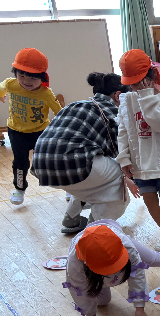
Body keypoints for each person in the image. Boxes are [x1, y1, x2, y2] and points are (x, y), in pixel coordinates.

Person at [33, 72, 139, 233]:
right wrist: (136, 179)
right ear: (118, 96)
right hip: (72, 164)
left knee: (93, 179)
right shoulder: (113, 112)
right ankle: (94, 229)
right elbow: (123, 154)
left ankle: (72, 218)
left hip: (41, 164)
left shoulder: (76, 104)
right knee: (118, 186)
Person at [117, 49, 160, 252]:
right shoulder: (127, 100)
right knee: (150, 201)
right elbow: (123, 130)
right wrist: (124, 159)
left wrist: (146, 96)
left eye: (139, 83)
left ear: (151, 78)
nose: (136, 88)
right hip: (141, 164)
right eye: (133, 84)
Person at [65, 221, 160, 316]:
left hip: (110, 230)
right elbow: (78, 290)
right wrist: (90, 314)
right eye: (107, 270)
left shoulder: (126, 245)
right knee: (103, 302)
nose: (113, 271)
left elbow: (137, 274)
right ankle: (102, 281)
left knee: (153, 259)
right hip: (92, 271)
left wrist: (139, 308)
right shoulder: (74, 264)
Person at [0, 48, 62, 205]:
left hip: (41, 132)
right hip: (16, 131)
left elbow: (59, 111)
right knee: (20, 162)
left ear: (42, 77)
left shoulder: (45, 93)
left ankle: (68, 187)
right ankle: (19, 188)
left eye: (32, 77)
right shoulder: (11, 84)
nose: (26, 81)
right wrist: (0, 96)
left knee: (50, 160)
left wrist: (61, 128)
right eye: (21, 75)